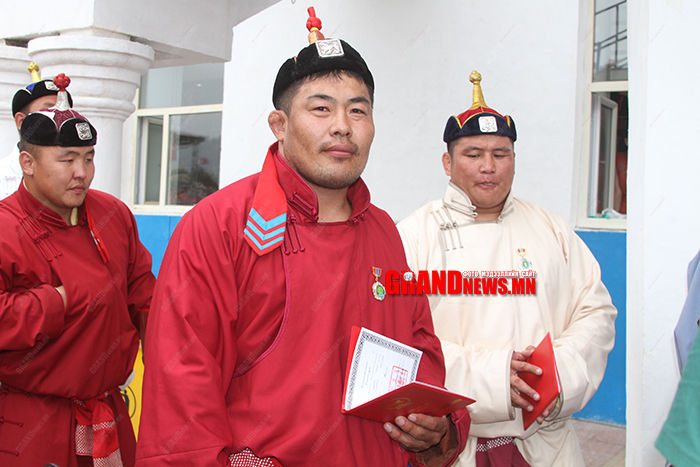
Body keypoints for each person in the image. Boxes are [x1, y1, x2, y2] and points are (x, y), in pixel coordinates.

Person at [136, 8, 470, 467]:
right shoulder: (218, 227)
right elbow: (182, 393)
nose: (342, 125)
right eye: (321, 108)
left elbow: (419, 346)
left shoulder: (383, 231)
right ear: (280, 125)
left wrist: (437, 426)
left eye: (358, 110)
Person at [397, 71, 617, 466]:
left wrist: (556, 372)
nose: (489, 167)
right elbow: (399, 337)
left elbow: (595, 310)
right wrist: (496, 378)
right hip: (455, 447)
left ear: (514, 160)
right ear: (447, 162)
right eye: (473, 154)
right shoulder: (414, 236)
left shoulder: (551, 229)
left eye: (501, 154)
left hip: (545, 446)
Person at [0, 74, 155, 467]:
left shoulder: (113, 214)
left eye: (88, 158)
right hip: (33, 421)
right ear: (28, 163)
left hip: (110, 413)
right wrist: (58, 301)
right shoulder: (4, 227)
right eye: (67, 160)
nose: (81, 172)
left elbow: (145, 298)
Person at [0, 62, 73, 199]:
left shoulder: (77, 174)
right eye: (48, 111)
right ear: (21, 121)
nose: (59, 118)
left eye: (64, 112)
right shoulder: (3, 175)